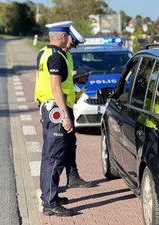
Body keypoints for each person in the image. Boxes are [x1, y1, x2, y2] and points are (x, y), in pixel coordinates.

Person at [34, 21, 75, 217]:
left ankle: (50, 196)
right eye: (68, 36)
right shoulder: (57, 58)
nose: (69, 39)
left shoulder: (43, 53)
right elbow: (56, 88)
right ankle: (50, 203)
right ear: (62, 37)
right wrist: (66, 114)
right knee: (55, 157)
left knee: (49, 156)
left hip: (47, 107)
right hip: (55, 110)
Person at [62, 26, 93, 189]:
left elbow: (65, 81)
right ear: (65, 37)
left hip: (67, 104)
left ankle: (72, 177)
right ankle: (51, 191)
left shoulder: (67, 55)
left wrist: (77, 81)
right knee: (59, 147)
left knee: (70, 142)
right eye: (73, 43)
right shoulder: (56, 56)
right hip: (57, 107)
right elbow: (54, 84)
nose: (74, 47)